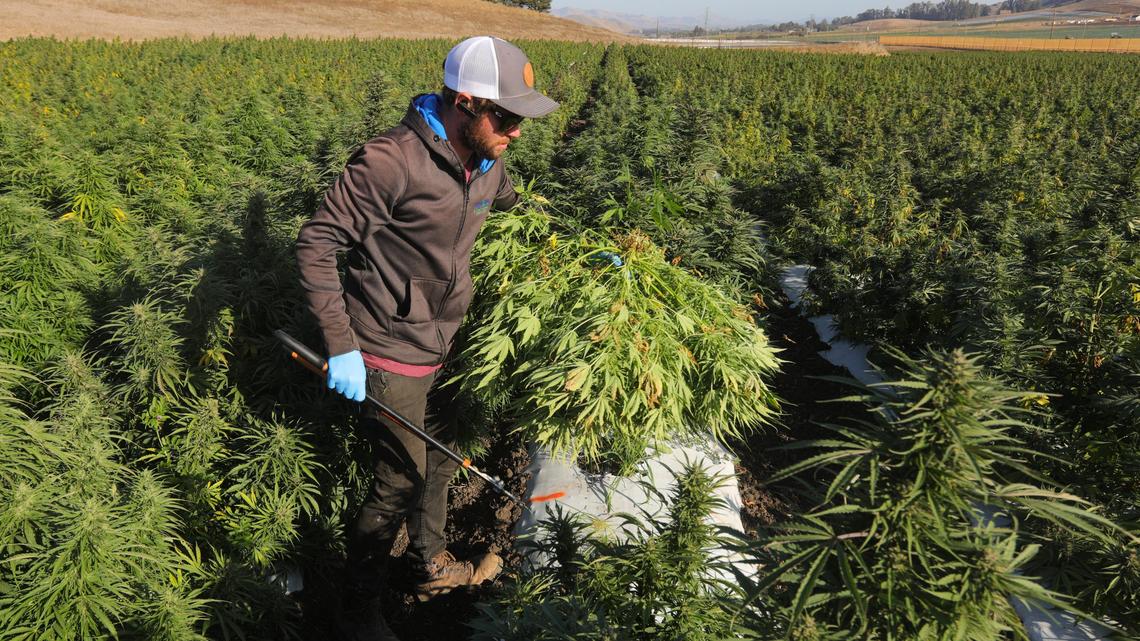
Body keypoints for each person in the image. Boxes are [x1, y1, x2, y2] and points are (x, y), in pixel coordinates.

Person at [295, 36, 559, 641]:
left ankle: (425, 560)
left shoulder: (487, 158)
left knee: (441, 458)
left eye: (521, 118)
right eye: (507, 116)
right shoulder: (391, 161)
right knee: (397, 481)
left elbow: (508, 204)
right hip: (385, 349)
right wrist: (341, 345)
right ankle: (357, 609)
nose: (516, 130)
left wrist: (573, 256)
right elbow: (316, 245)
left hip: (443, 338)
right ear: (464, 103)